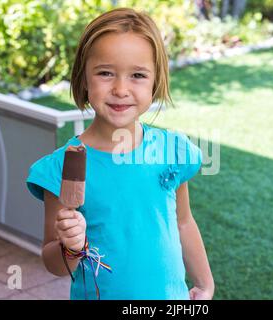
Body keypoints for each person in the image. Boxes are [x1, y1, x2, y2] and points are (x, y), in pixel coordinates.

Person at [26, 7, 214, 300]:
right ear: (84, 78)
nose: (120, 89)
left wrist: (204, 283)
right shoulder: (63, 167)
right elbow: (54, 264)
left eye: (137, 75)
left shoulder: (170, 151)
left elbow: (183, 222)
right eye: (105, 73)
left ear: (155, 81)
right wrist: (70, 247)